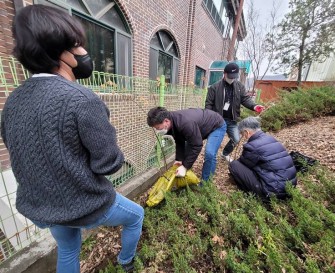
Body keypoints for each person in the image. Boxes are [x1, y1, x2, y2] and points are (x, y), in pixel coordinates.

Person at [1, 5, 143, 273]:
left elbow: (20, 150)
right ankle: (126, 263)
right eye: (78, 45)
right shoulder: (81, 99)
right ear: (62, 53)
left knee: (68, 249)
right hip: (85, 204)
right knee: (136, 216)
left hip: (44, 206)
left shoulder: (13, 102)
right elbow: (108, 164)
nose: (83, 53)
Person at [205, 62, 265, 162]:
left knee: (236, 139)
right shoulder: (214, 87)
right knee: (215, 141)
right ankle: (210, 157)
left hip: (231, 120)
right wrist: (210, 118)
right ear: (224, 73)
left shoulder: (239, 87)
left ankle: (225, 154)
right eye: (230, 76)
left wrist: (254, 106)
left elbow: (245, 99)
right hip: (218, 120)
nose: (232, 78)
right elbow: (208, 104)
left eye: (234, 76)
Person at [147, 107, 226, 182]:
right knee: (187, 155)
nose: (157, 130)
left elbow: (197, 145)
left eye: (158, 127)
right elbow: (179, 140)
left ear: (166, 121)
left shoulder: (185, 123)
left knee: (210, 153)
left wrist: (185, 167)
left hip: (216, 125)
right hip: (200, 127)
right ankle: (185, 178)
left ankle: (206, 183)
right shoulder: (172, 121)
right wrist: (179, 159)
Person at [228, 117, 297, 199]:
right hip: (290, 186)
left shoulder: (252, 146)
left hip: (274, 191)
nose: (244, 137)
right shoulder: (270, 138)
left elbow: (243, 163)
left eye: (242, 134)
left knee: (234, 164)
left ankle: (251, 194)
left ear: (247, 132)